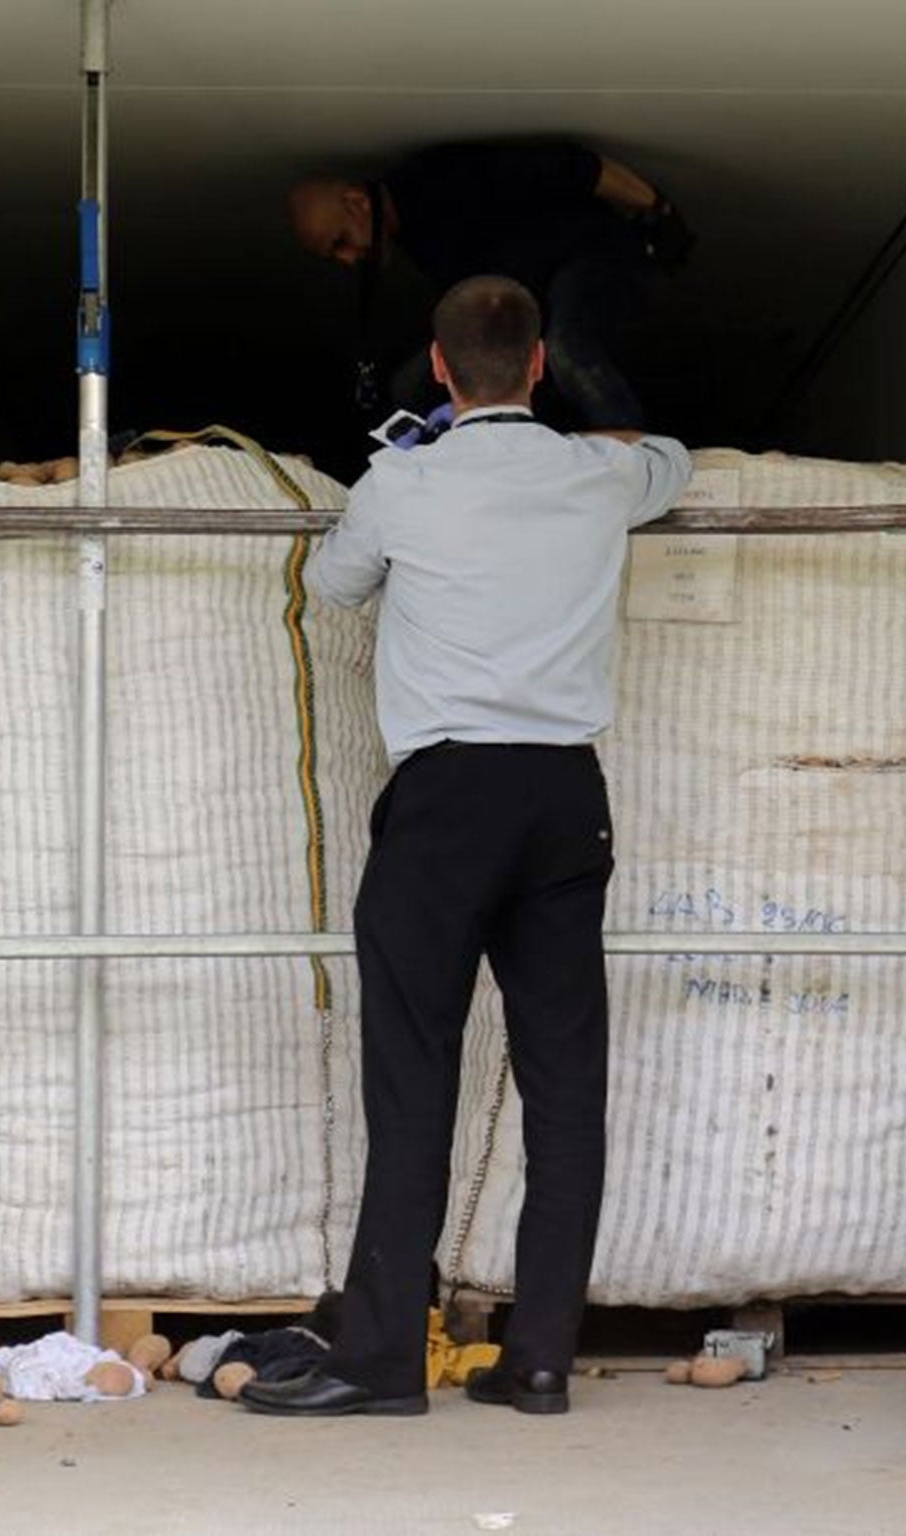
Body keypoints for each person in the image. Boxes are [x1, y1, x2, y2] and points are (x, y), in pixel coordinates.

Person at [239, 276, 692, 1418]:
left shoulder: (403, 479)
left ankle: (384, 1360)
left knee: (411, 1077)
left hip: (442, 800)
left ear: (437, 372)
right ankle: (536, 1359)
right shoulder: (600, 477)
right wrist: (597, 439)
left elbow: (332, 583)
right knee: (562, 1083)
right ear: (538, 365)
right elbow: (674, 461)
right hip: (560, 798)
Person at [287, 140, 693, 429]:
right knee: (410, 389)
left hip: (592, 257)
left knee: (568, 349)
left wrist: (659, 208)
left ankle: (635, 467)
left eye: (340, 242)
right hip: (529, 306)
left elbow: (578, 166)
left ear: (357, 203)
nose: (347, 259)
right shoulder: (411, 236)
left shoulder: (442, 177)